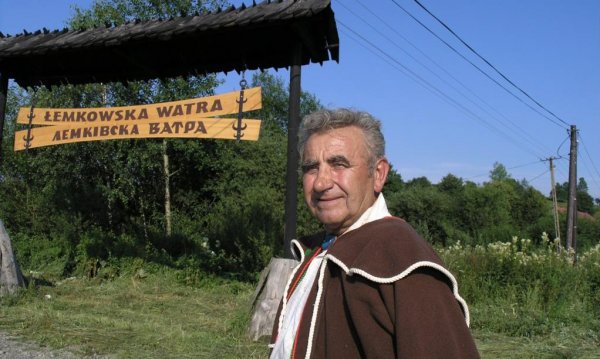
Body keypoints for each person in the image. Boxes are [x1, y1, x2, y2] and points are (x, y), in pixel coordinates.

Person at [269, 108, 479, 358]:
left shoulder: (405, 264)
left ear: (378, 174)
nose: (321, 183)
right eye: (311, 168)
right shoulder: (314, 254)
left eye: (339, 164)